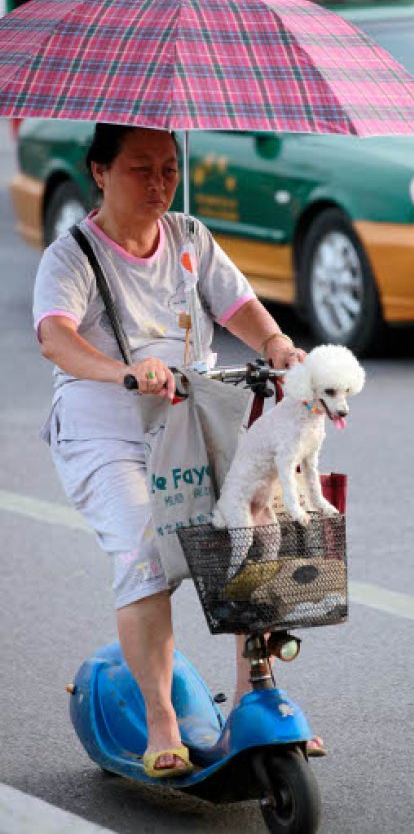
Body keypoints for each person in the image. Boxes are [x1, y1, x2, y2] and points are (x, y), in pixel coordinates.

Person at [33, 123, 324, 776]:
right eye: (142, 168)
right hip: (104, 432)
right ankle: (162, 720)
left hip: (191, 424)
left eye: (169, 167)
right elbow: (54, 337)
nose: (160, 183)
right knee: (146, 551)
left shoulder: (190, 237)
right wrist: (123, 371)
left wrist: (276, 343)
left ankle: (258, 695)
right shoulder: (72, 254)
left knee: (258, 525)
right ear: (100, 171)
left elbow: (240, 303)